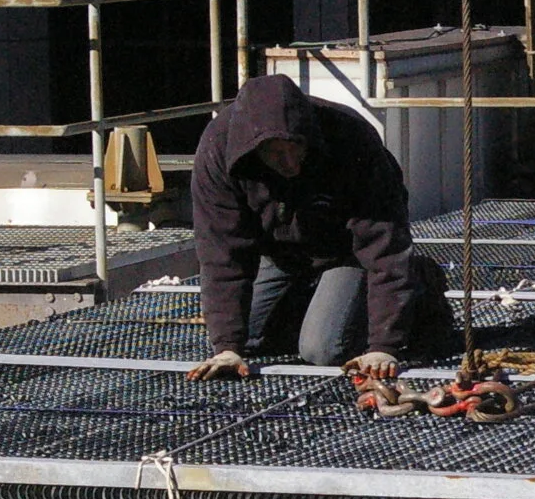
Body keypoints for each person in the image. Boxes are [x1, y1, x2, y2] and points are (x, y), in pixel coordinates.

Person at [186, 74, 454, 381]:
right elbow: (222, 253)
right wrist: (227, 347)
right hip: (282, 250)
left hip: (347, 251)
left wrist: (384, 345)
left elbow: (384, 245)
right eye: (275, 153)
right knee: (248, 338)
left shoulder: (351, 137)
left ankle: (419, 284)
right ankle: (322, 303)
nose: (290, 164)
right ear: (253, 150)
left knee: (325, 350)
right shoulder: (218, 149)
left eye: (296, 148)